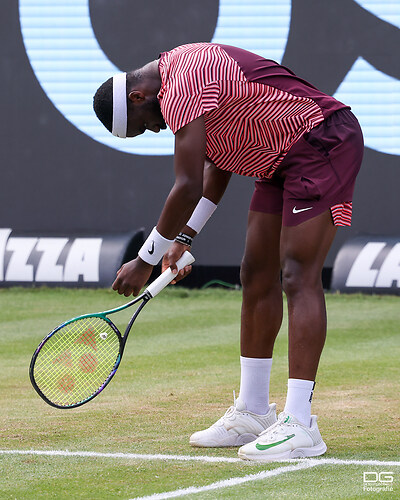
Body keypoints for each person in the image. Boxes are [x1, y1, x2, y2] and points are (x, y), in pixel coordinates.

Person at [93, 42, 363, 461]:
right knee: (256, 273)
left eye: (146, 126)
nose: (158, 130)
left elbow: (187, 186)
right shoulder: (184, 87)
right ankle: (254, 411)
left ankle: (301, 423)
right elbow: (214, 167)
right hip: (277, 160)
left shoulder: (181, 78)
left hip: (321, 140)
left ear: (137, 97)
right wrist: (184, 239)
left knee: (296, 275)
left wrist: (145, 260)